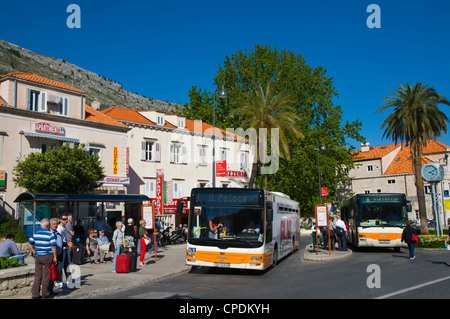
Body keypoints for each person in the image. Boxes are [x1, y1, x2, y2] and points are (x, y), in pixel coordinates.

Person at [26, 219, 58, 299]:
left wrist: (33, 251)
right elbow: (53, 246)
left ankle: (35, 294)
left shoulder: (36, 234)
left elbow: (28, 243)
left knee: (37, 276)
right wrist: (55, 256)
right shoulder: (50, 234)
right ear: (48, 226)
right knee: (45, 276)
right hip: (47, 255)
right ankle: (45, 293)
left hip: (38, 256)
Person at [49, 218, 63, 295]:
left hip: (58, 255)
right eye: (53, 224)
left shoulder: (57, 233)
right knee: (51, 273)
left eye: (56, 224)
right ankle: (49, 290)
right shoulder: (50, 233)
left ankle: (51, 289)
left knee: (55, 273)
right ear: (50, 225)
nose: (55, 225)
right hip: (52, 256)